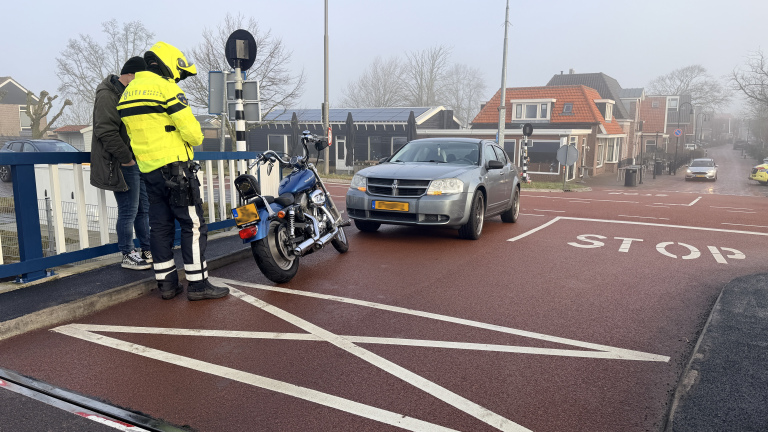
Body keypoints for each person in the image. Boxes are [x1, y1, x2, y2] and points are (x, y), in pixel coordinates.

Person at [117, 42, 228, 301]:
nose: (179, 78)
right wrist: (194, 138)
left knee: (160, 227)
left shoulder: (128, 92)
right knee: (193, 225)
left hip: (149, 170)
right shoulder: (167, 88)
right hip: (177, 170)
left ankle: (166, 285)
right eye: (179, 73)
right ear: (167, 63)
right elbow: (191, 132)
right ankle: (198, 285)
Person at [90, 56, 152, 270]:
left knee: (143, 209)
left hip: (137, 162)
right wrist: (126, 159)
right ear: (131, 75)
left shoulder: (125, 94)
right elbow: (105, 130)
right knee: (129, 210)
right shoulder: (108, 95)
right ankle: (127, 253)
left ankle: (147, 249)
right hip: (122, 163)